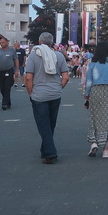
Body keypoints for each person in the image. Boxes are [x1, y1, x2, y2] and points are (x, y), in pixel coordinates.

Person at [25, 32, 70, 164]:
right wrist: (59, 87)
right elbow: (66, 77)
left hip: (39, 94)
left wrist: (30, 92)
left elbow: (28, 77)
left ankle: (50, 153)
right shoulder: (59, 55)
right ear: (52, 43)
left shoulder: (33, 55)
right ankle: (44, 151)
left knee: (43, 124)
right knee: (50, 123)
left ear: (40, 42)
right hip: (55, 93)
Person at [83, 40, 108, 158]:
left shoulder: (92, 64)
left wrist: (87, 95)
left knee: (94, 118)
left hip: (95, 91)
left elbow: (88, 82)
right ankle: (105, 150)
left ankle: (94, 143)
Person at [0, 38, 19, 110]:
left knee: (7, 86)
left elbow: (16, 60)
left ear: (7, 43)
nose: (1, 44)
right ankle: (8, 102)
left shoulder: (12, 50)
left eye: (3, 42)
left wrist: (17, 70)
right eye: (0, 43)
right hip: (1, 71)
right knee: (2, 88)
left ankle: (4, 103)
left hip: (9, 71)